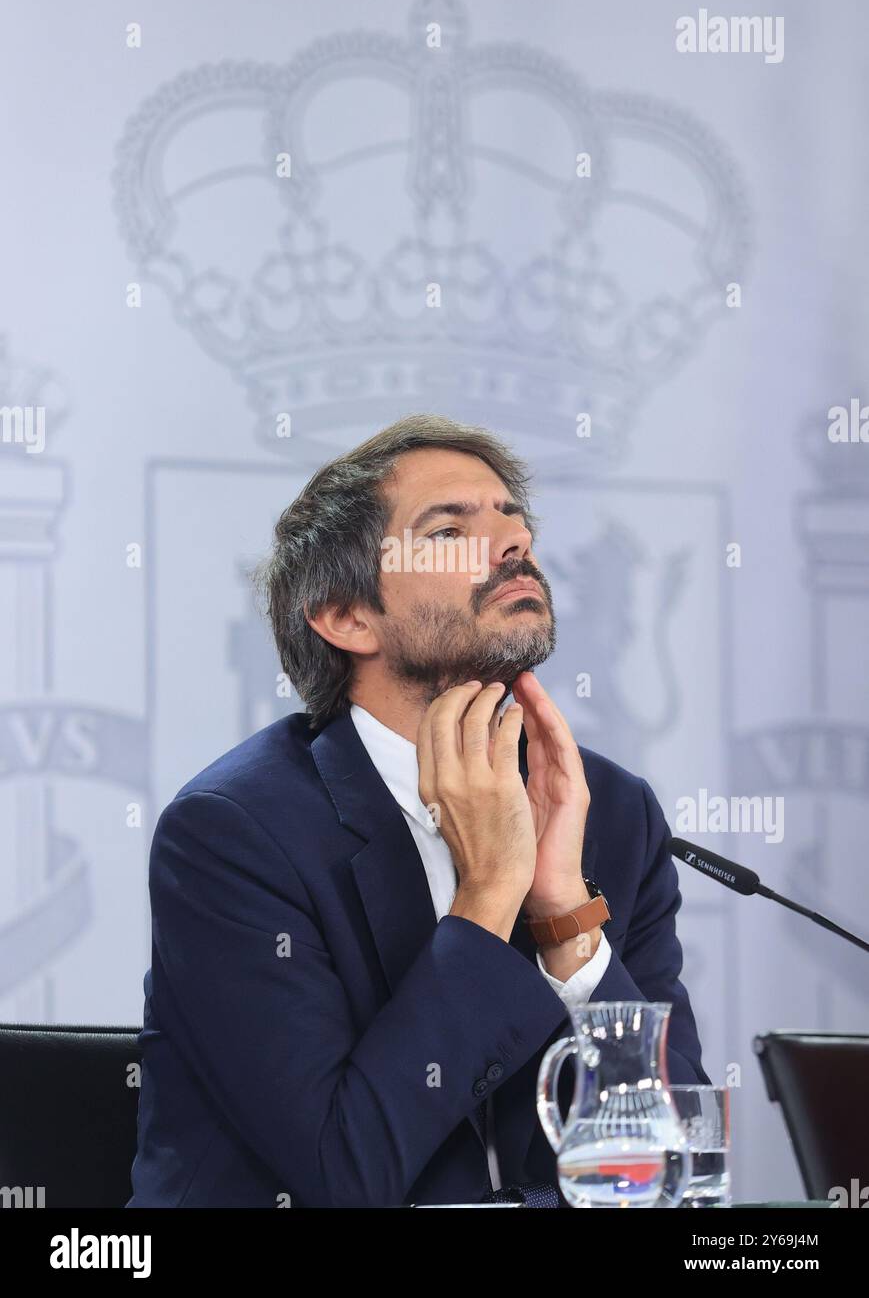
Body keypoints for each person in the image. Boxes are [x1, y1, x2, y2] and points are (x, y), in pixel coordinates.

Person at [126, 413, 709, 1208]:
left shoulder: (608, 811)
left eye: (512, 517)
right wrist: (488, 894)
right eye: (447, 530)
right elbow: (341, 1176)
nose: (512, 543)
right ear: (345, 616)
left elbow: (669, 1173)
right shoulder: (232, 833)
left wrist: (565, 917)